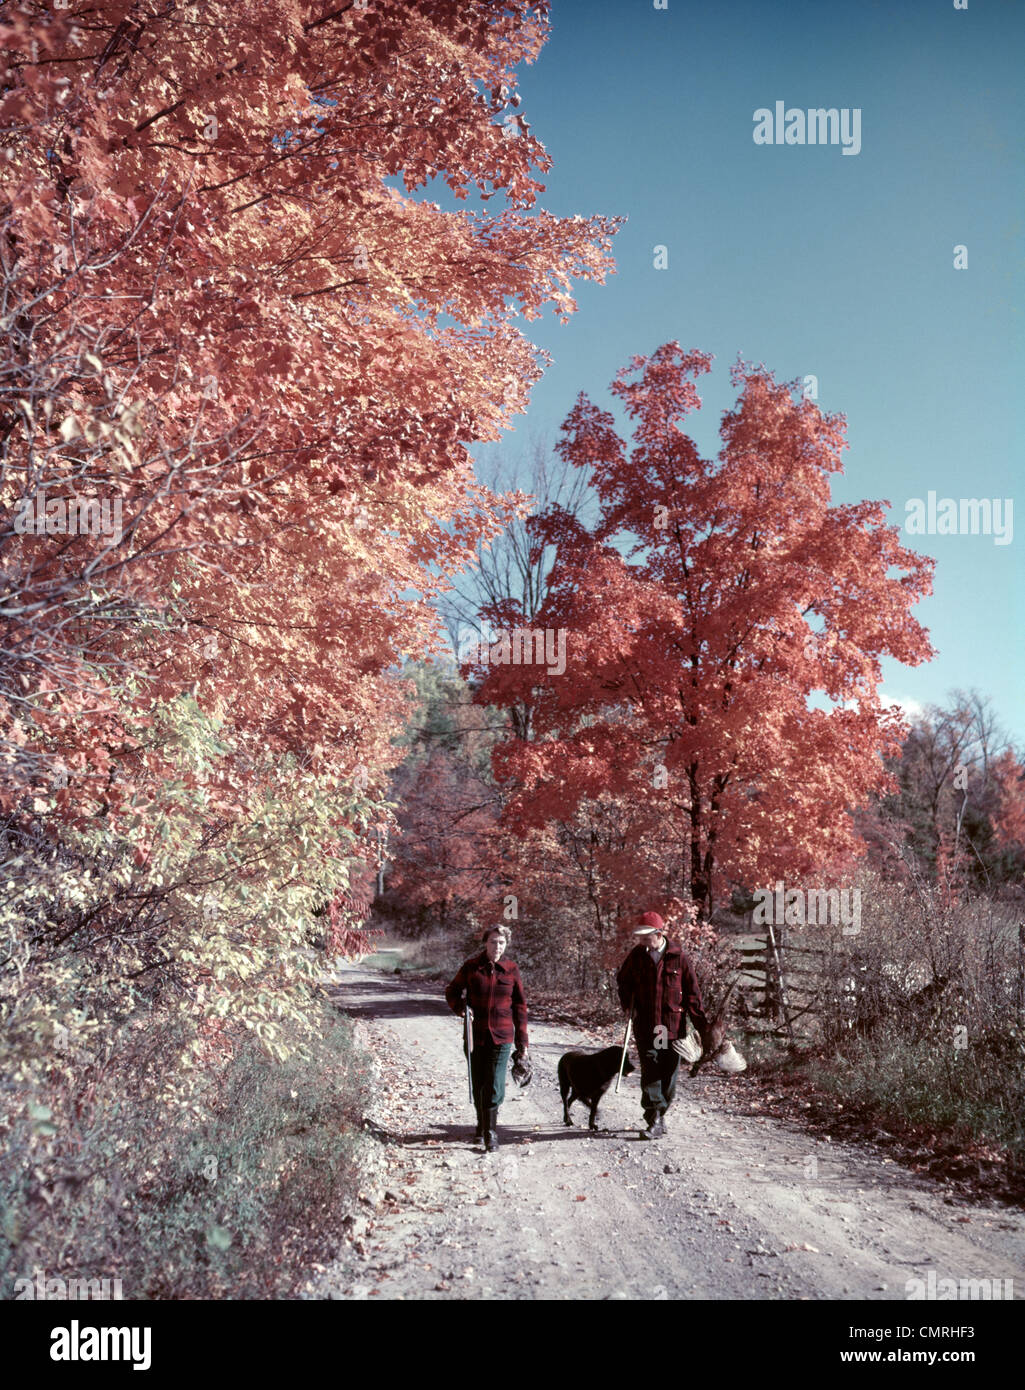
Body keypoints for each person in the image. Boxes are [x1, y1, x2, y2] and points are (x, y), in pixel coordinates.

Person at [616, 910, 709, 1140]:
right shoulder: (637, 955)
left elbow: (693, 994)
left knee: (669, 1074)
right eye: (641, 937)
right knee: (650, 1069)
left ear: (659, 934)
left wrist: (702, 1027)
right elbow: (623, 980)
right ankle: (654, 1117)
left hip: (671, 1026)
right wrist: (628, 1004)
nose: (642, 941)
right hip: (646, 1024)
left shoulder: (679, 957)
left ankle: (660, 1114)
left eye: (646, 937)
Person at [445, 925, 529, 1152]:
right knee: (479, 1083)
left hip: (502, 1037)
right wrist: (462, 1008)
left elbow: (520, 1007)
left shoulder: (511, 969)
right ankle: (481, 1128)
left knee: (494, 1084)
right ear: (485, 943)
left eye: (501, 942)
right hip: (475, 1035)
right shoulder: (472, 967)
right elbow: (452, 991)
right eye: (493, 942)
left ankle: (491, 1133)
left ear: (506, 945)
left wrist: (523, 1044)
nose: (497, 947)